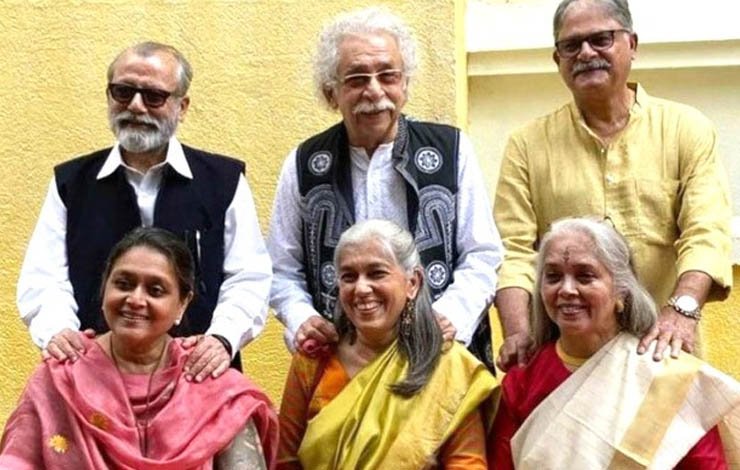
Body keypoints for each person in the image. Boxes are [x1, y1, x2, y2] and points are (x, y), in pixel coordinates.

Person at [493, 0, 732, 372]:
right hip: (568, 360)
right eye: (572, 45)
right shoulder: (527, 145)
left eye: (601, 39)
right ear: (558, 60)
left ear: (631, 45)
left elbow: (706, 233)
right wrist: (519, 333)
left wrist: (682, 309)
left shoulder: (685, 130)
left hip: (663, 348)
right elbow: (514, 252)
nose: (586, 53)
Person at [17, 41, 272, 381]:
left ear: (182, 106)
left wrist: (222, 339)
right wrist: (58, 332)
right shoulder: (72, 183)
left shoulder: (223, 181)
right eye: (123, 92)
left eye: (153, 96)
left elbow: (249, 276)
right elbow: (45, 277)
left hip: (198, 379)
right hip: (93, 378)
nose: (136, 106)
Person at [268, 7, 503, 371]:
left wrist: (449, 316)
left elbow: (482, 253)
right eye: (357, 78)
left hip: (440, 356)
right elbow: (282, 268)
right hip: (343, 359)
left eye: (388, 75)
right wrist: (302, 318)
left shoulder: (451, 151)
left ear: (404, 85)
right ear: (332, 93)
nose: (374, 91)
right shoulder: (305, 164)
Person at [1, 227, 278, 469]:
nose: (135, 299)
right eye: (123, 284)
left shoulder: (214, 388)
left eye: (155, 290)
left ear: (182, 303)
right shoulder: (61, 377)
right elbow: (16, 461)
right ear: (104, 288)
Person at [487, 217, 739, 469]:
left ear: (621, 290)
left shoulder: (667, 377)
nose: (566, 289)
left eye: (585, 277)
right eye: (553, 277)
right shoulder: (523, 380)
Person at [277, 219, 497, 469]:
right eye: (349, 277)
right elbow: (285, 461)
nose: (361, 288)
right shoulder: (314, 359)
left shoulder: (448, 366)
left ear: (412, 283)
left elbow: (467, 464)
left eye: (376, 273)